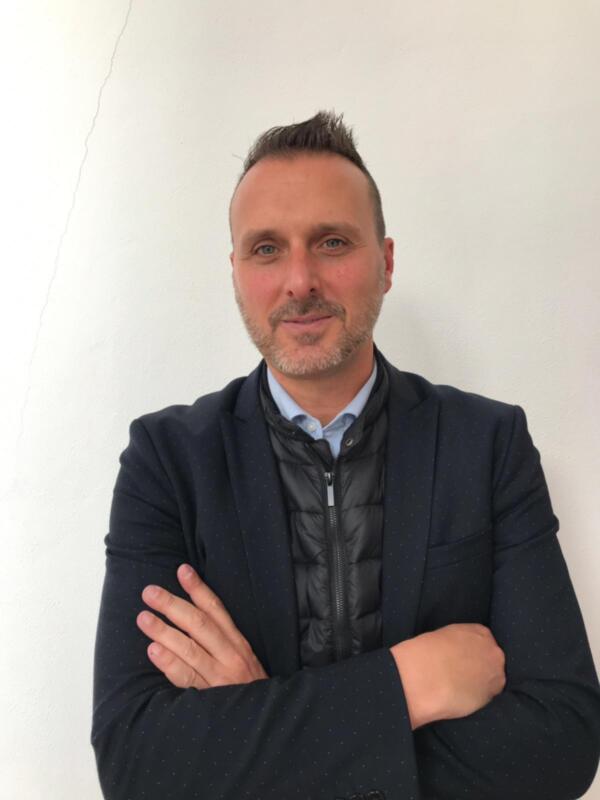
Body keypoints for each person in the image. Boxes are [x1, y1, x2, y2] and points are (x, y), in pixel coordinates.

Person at [91, 110, 600, 799]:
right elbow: (136, 763)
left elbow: (565, 742)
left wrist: (254, 722)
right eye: (266, 249)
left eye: (332, 242)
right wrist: (409, 683)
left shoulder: (488, 445)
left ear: (386, 263)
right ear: (237, 271)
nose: (299, 279)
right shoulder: (168, 462)